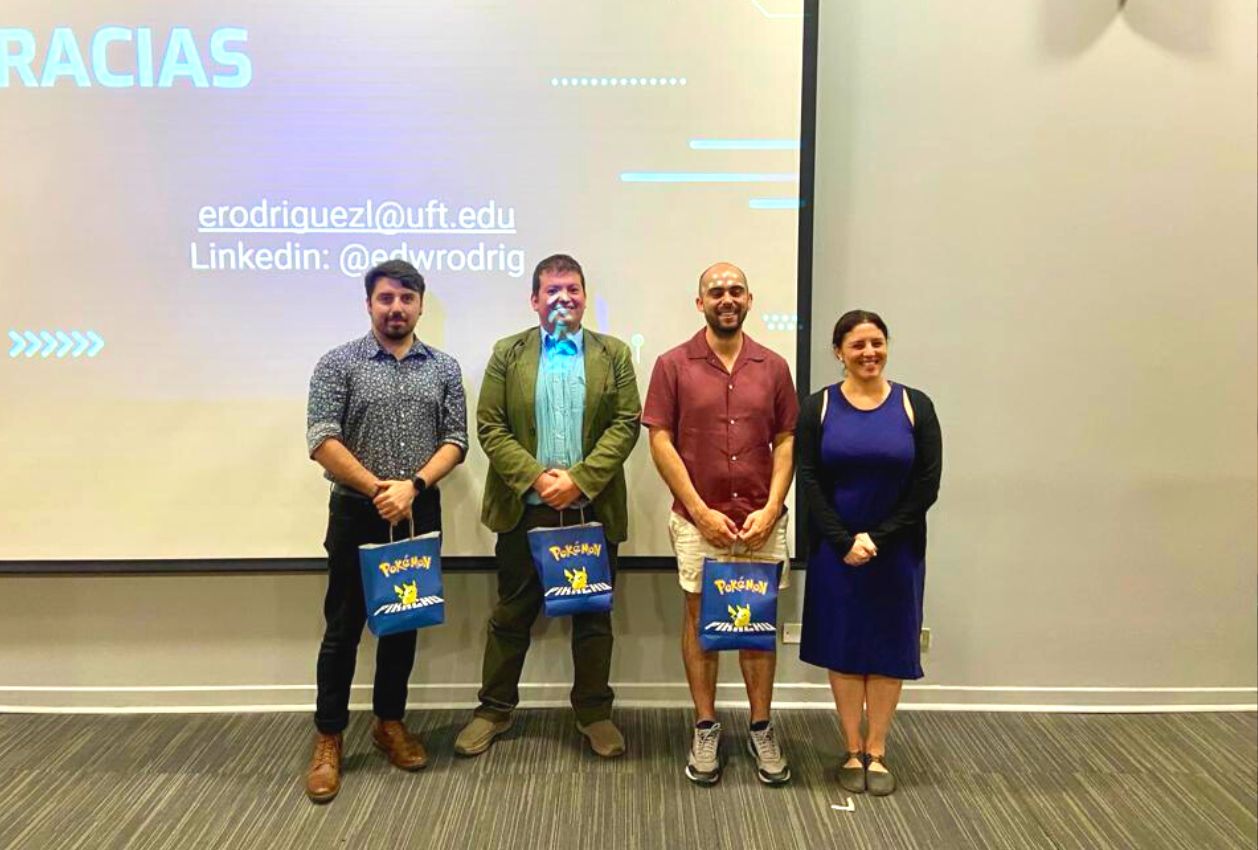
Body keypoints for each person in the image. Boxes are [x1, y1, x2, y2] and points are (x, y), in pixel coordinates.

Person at [454, 253, 641, 759]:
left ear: (585, 297)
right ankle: (494, 709)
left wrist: (579, 480)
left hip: (591, 510)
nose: (563, 298)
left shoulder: (614, 354)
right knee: (512, 613)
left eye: (572, 289)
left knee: (593, 616)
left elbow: (626, 424)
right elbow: (490, 426)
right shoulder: (508, 353)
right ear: (535, 300)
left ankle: (594, 713)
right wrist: (539, 479)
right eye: (553, 290)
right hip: (525, 508)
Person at [303, 259, 468, 803]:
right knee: (343, 628)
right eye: (386, 298)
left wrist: (412, 487)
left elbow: (456, 440)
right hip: (357, 512)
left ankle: (389, 723)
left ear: (420, 305)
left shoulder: (444, 368)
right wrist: (379, 489)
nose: (396, 308)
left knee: (402, 624)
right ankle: (329, 736)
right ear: (369, 304)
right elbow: (321, 439)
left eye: (406, 298)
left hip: (418, 511)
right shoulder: (338, 364)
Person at [642, 262, 798, 786]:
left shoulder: (773, 366)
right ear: (700, 303)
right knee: (699, 621)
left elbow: (786, 441)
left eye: (735, 291)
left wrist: (772, 508)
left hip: (761, 518)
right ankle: (705, 725)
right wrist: (700, 510)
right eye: (716, 292)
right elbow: (660, 441)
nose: (726, 299)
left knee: (757, 623)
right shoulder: (671, 364)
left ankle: (761, 727)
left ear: (749, 300)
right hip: (697, 520)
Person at [796, 309, 942, 797]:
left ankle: (876, 750)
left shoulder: (915, 405)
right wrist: (844, 540)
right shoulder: (817, 407)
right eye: (857, 345)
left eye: (876, 342)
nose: (869, 353)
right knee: (844, 647)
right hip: (835, 552)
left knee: (886, 650)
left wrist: (877, 538)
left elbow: (926, 485)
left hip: (896, 552)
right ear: (838, 352)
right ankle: (851, 748)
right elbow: (809, 480)